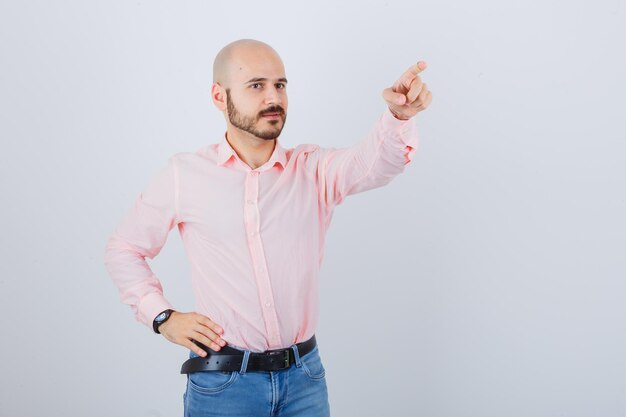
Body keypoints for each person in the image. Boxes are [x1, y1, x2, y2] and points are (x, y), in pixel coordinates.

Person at [104, 38, 432, 416]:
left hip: (304, 380)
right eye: (256, 85)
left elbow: (374, 163)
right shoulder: (185, 175)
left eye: (280, 84)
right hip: (224, 386)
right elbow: (124, 249)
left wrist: (398, 116)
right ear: (218, 96)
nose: (273, 97)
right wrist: (162, 317)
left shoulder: (312, 169)